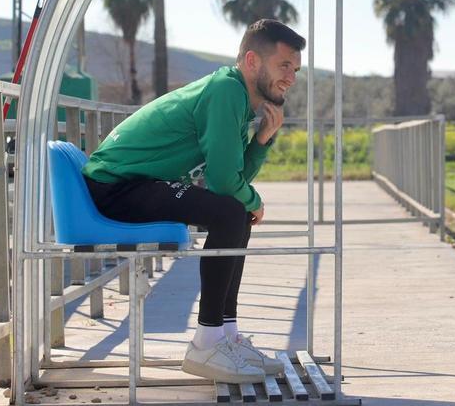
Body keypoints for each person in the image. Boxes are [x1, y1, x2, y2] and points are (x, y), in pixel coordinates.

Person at [81, 19, 304, 383]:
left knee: (235, 213)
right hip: (116, 186)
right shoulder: (227, 92)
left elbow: (232, 180)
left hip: (135, 184)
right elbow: (222, 182)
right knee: (234, 211)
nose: (291, 78)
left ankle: (226, 336)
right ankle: (206, 342)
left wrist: (262, 140)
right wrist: (255, 200)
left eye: (295, 69)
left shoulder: (236, 96)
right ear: (252, 61)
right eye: (284, 66)